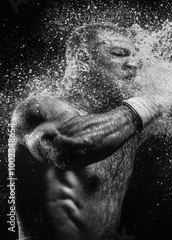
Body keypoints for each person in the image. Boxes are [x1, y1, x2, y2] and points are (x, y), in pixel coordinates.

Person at [10, 23, 160, 240]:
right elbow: (71, 147)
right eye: (119, 53)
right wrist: (149, 104)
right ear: (83, 59)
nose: (134, 64)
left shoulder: (125, 123)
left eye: (137, 58)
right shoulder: (38, 108)